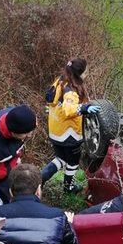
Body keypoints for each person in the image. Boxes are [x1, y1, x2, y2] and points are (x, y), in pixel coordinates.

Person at [41, 57, 99, 194]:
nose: (87, 73)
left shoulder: (60, 80)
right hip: (69, 134)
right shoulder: (71, 90)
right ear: (79, 73)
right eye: (86, 71)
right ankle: (69, 188)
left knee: (61, 158)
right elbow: (69, 110)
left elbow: (50, 99)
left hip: (56, 130)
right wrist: (85, 109)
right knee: (73, 162)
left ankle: (40, 178)